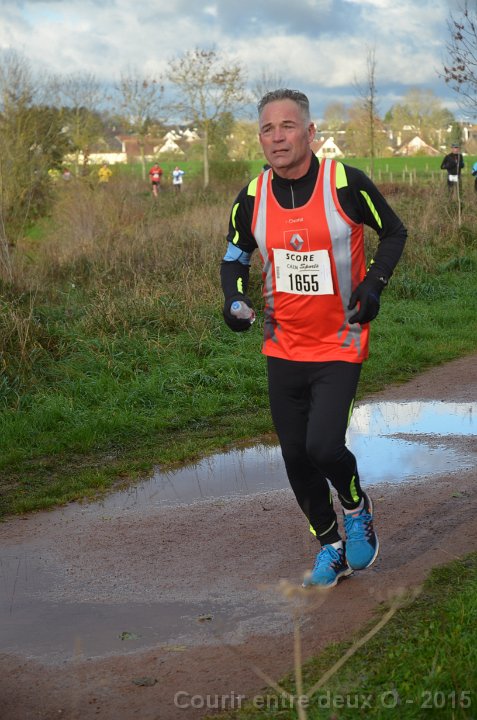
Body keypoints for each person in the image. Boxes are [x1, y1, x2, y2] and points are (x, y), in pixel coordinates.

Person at [220, 89, 407, 588]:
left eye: (287, 126)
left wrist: (374, 284)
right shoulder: (253, 196)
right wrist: (233, 300)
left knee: (323, 446)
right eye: (267, 128)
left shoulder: (345, 183)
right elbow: (235, 257)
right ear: (260, 138)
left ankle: (356, 507)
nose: (277, 137)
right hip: (283, 345)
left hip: (339, 342)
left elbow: (394, 232)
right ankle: (331, 546)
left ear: (310, 132)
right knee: (295, 456)